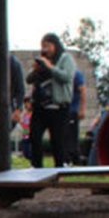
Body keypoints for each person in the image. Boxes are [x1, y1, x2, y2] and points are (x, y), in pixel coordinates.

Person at [26, 32, 76, 168]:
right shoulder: (42, 61)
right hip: (40, 108)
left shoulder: (65, 59)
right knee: (34, 136)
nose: (45, 49)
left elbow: (66, 77)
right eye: (43, 46)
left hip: (59, 107)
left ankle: (60, 167)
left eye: (47, 46)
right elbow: (29, 79)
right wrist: (36, 69)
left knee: (57, 141)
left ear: (55, 45)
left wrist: (50, 66)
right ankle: (36, 167)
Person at [64, 69, 87, 165]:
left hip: (72, 110)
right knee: (63, 136)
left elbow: (83, 90)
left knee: (72, 136)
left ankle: (75, 160)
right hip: (62, 110)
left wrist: (82, 109)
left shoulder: (76, 74)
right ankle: (66, 159)